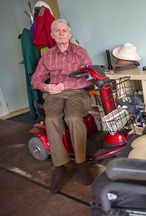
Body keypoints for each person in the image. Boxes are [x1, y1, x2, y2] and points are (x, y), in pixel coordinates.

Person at [31, 18, 94, 193]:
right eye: (57, 31)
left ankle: (81, 164)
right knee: (51, 119)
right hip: (54, 94)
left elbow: (89, 78)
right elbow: (35, 79)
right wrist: (46, 86)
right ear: (52, 35)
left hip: (77, 92)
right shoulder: (48, 55)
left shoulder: (80, 52)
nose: (60, 33)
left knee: (73, 118)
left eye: (64, 30)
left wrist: (65, 85)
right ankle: (59, 167)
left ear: (70, 34)